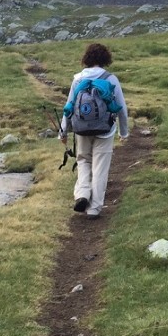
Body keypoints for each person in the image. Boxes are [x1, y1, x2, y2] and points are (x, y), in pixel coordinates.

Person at [59, 42, 129, 219]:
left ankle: (82, 194)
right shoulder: (110, 79)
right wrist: (123, 132)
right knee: (100, 168)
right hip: (105, 130)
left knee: (83, 160)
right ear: (106, 58)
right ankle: (94, 208)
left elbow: (69, 106)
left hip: (81, 129)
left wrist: (63, 131)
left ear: (87, 58)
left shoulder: (78, 79)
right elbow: (121, 108)